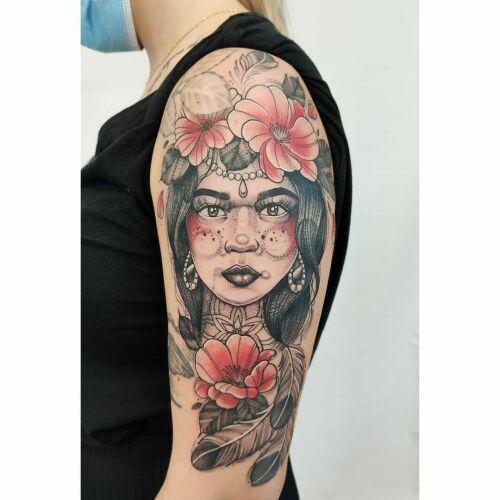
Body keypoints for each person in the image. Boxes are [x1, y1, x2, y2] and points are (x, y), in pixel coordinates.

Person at [81, 1, 352, 498]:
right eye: (211, 207)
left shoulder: (240, 86)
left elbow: (226, 491)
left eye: (272, 208)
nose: (242, 237)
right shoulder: (184, 91)